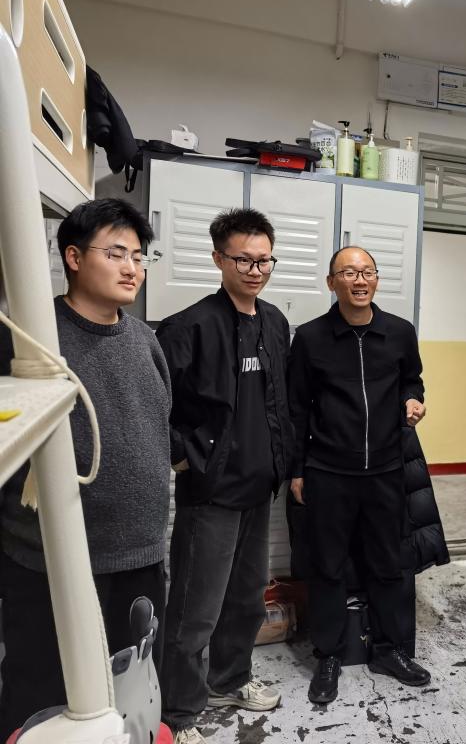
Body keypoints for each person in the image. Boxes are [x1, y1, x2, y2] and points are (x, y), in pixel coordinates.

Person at [0, 199, 170, 741]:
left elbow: (158, 426)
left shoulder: (145, 340)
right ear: (73, 257)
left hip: (140, 556)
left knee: (132, 687)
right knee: (42, 693)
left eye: (139, 257)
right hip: (49, 561)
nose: (132, 268)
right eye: (116, 253)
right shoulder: (29, 339)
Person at [156, 209, 293, 744]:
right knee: (195, 610)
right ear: (219, 259)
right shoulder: (188, 327)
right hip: (211, 493)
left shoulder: (275, 323)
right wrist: (182, 457)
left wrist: (283, 463)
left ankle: (229, 681)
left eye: (264, 260)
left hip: (259, 488)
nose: (255, 270)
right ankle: (179, 713)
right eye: (244, 260)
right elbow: (157, 404)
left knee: (245, 598)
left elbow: (280, 402)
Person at [288, 246, 431, 706]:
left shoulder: (399, 332)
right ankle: (329, 655)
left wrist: (413, 400)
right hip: (328, 471)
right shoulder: (310, 338)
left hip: (386, 470)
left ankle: (389, 650)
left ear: (376, 279)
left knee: (389, 564)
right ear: (332, 282)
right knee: (327, 566)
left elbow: (413, 380)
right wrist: (296, 470)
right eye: (349, 273)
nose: (359, 280)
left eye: (367, 271)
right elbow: (296, 409)